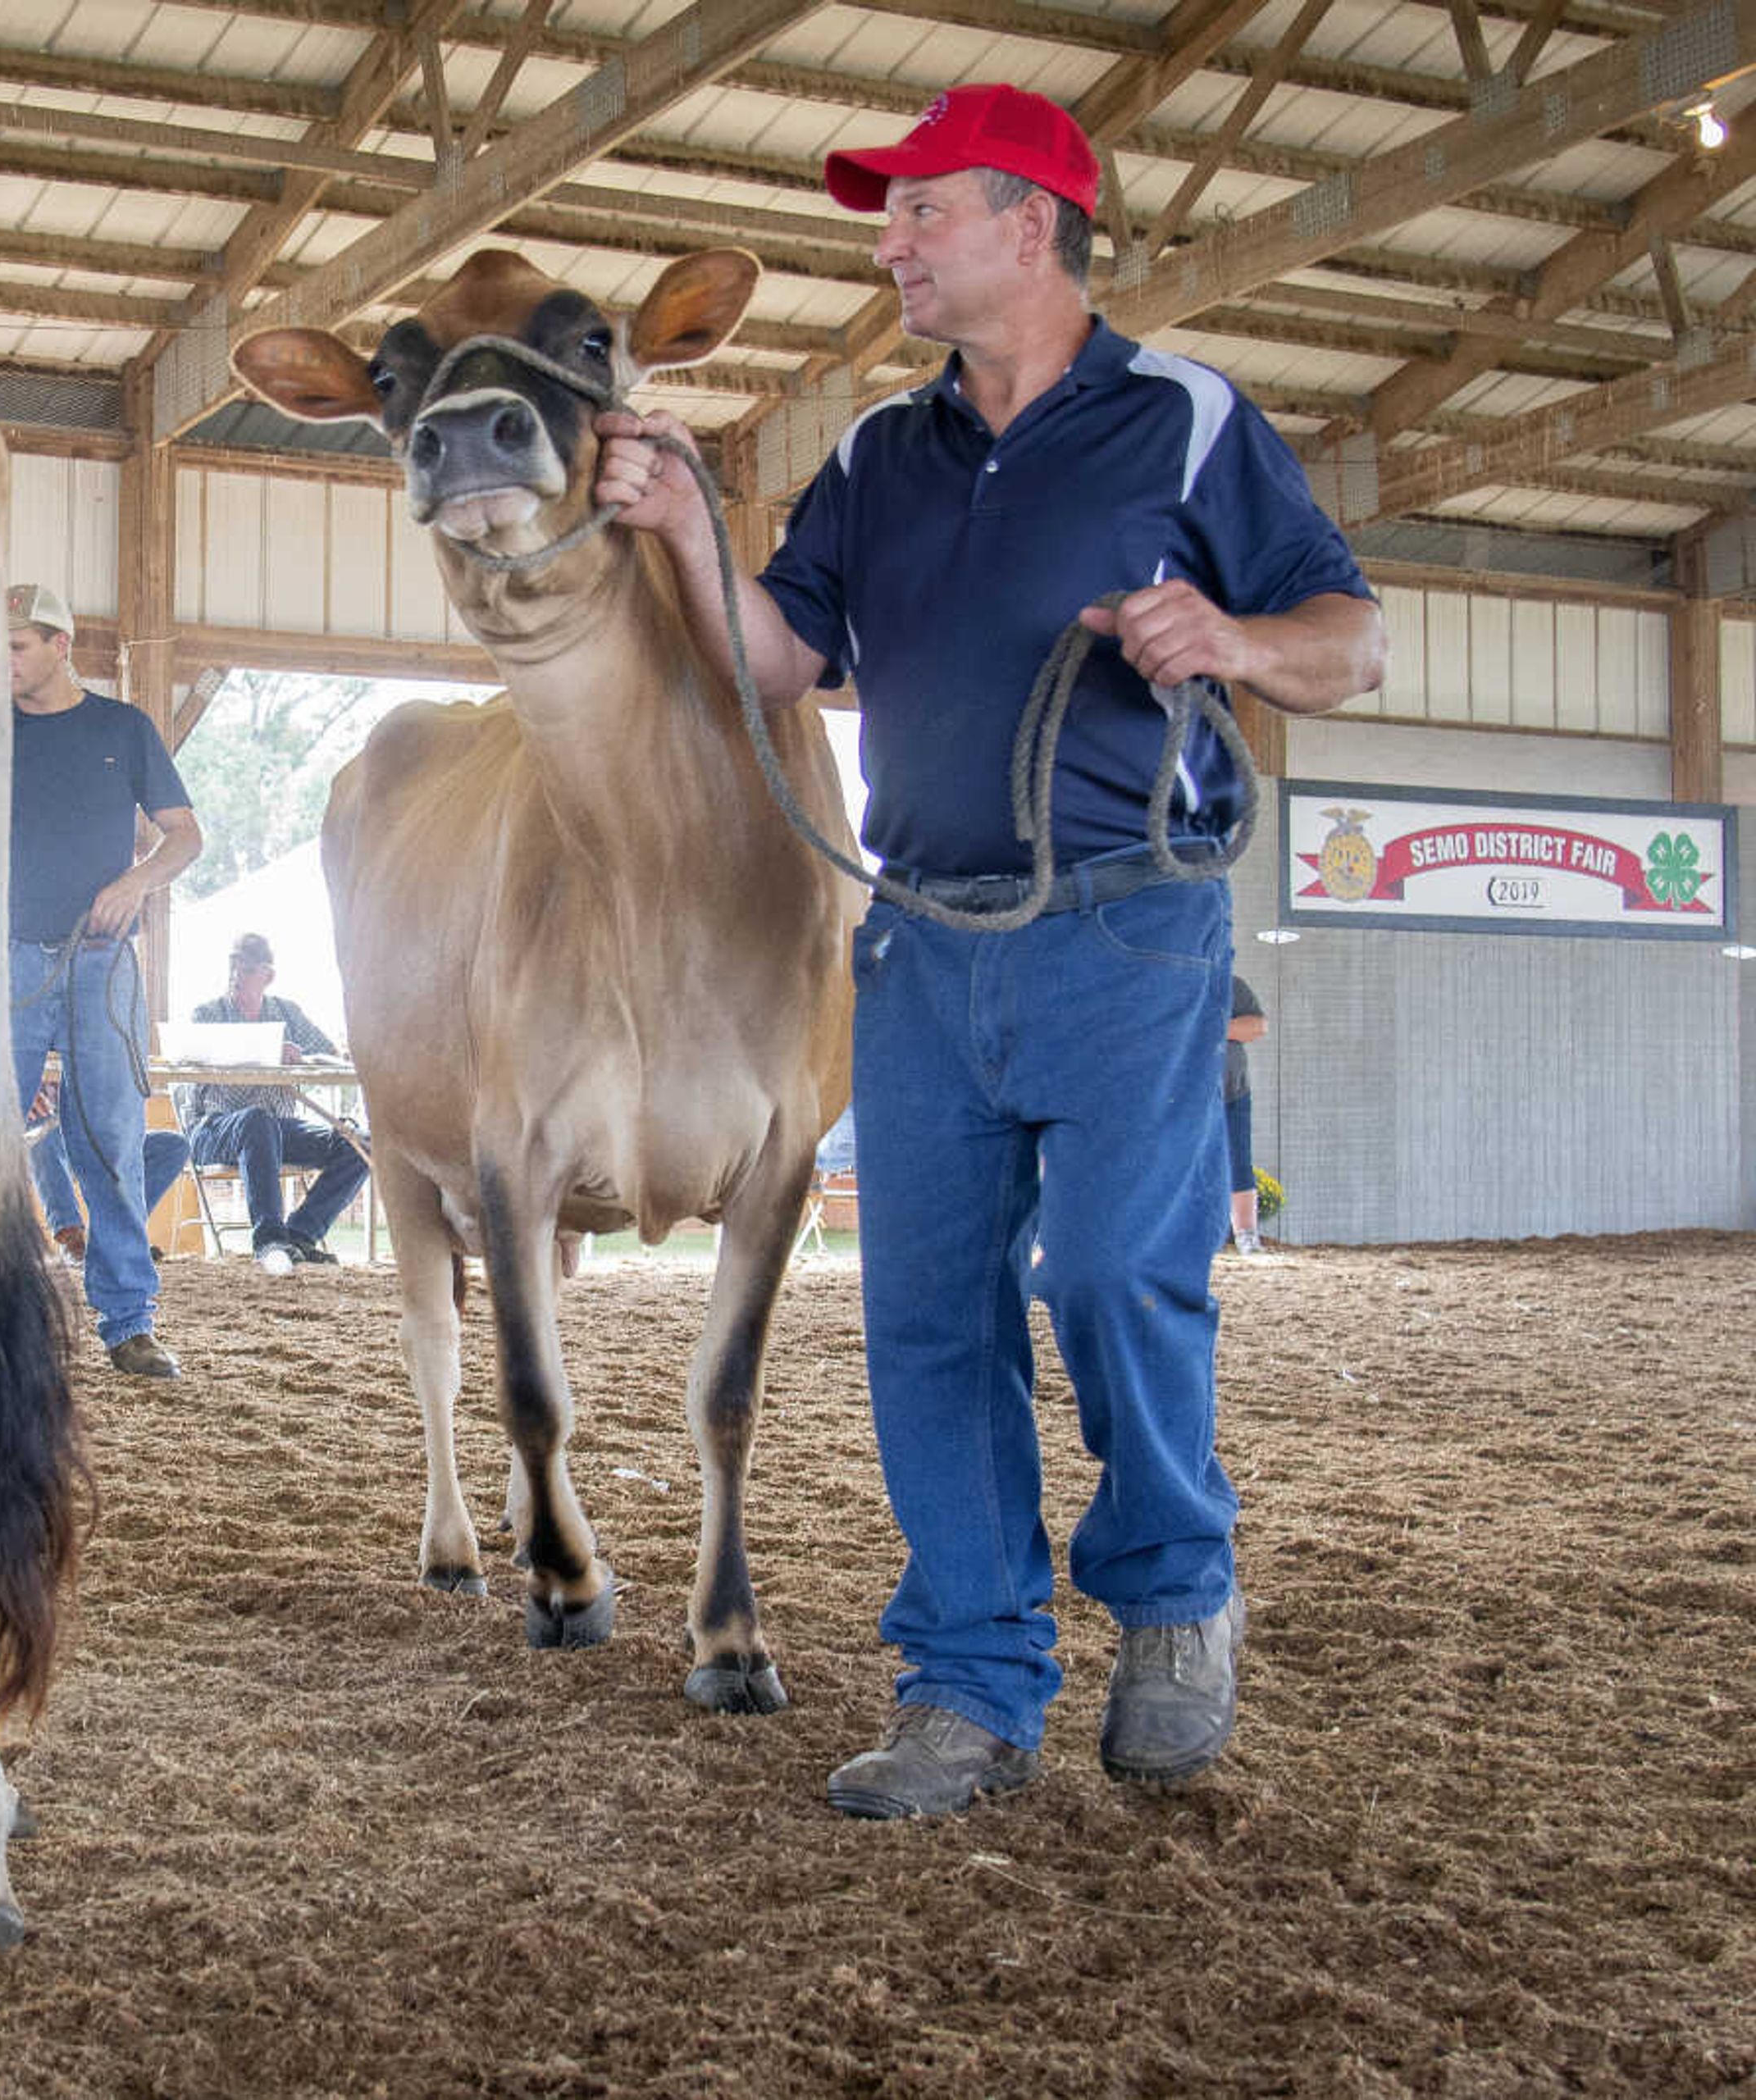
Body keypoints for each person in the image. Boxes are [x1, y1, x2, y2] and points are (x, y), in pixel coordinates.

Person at [594, 83, 1383, 1819]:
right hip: (928, 944)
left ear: (1033, 222)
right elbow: (779, 656)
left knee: (1110, 1274)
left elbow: (1350, 641)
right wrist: (678, 528)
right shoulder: (883, 450)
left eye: (920, 211)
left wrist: (1233, 633)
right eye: (889, 217)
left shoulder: (1183, 421)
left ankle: (1173, 1589)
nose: (891, 245)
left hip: (1126, 926)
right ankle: (969, 1682)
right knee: (922, 1319)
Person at [0, 583, 203, 1379]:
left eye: (15, 646)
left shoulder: (123, 729)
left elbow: (185, 837)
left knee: (109, 1138)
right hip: (4, 952)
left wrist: (135, 883)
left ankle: (128, 1320)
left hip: (102, 958)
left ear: (61, 646)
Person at [176, 932, 370, 1269]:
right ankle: (270, 1241)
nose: (237, 974)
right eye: (233, 965)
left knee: (361, 1143)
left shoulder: (286, 1013)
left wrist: (299, 1053)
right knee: (256, 1121)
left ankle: (300, 1233)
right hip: (213, 1128)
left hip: (277, 1129)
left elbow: (328, 1053)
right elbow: (209, 1055)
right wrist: (268, 1052)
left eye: (247, 968)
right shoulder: (207, 1014)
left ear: (268, 976)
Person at [28, 1070, 187, 1261]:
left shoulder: (96, 1047)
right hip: (43, 1137)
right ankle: (72, 1239)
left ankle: (118, 1236)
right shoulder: (21, 1048)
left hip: (93, 1136)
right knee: (45, 1136)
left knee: (174, 1146)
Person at [1225, 973, 1268, 1255]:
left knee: (1239, 1161)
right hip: (1177, 1094)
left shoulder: (1233, 985)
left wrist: (1209, 1026)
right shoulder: (1166, 982)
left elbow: (1257, 1026)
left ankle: (1246, 1235)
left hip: (1232, 1091)